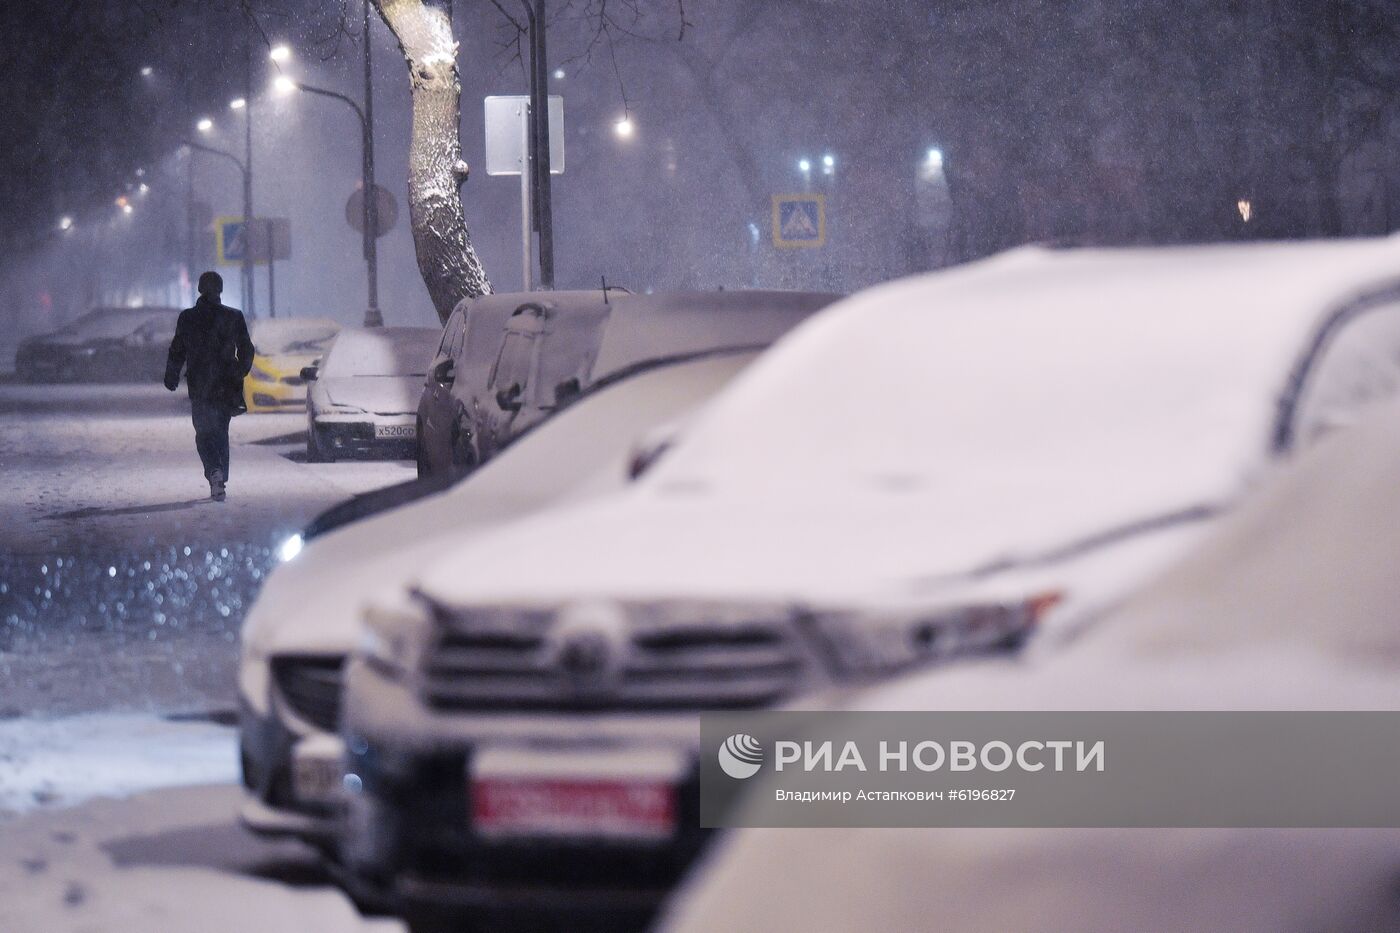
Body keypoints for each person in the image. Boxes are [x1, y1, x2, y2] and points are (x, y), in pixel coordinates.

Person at [163, 271, 254, 501]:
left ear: (200, 290)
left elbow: (177, 350)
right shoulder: (233, 317)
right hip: (226, 387)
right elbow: (246, 349)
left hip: (200, 386)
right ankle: (220, 475)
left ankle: (214, 470)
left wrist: (172, 376)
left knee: (204, 433)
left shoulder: (188, 318)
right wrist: (239, 371)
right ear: (220, 290)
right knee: (221, 431)